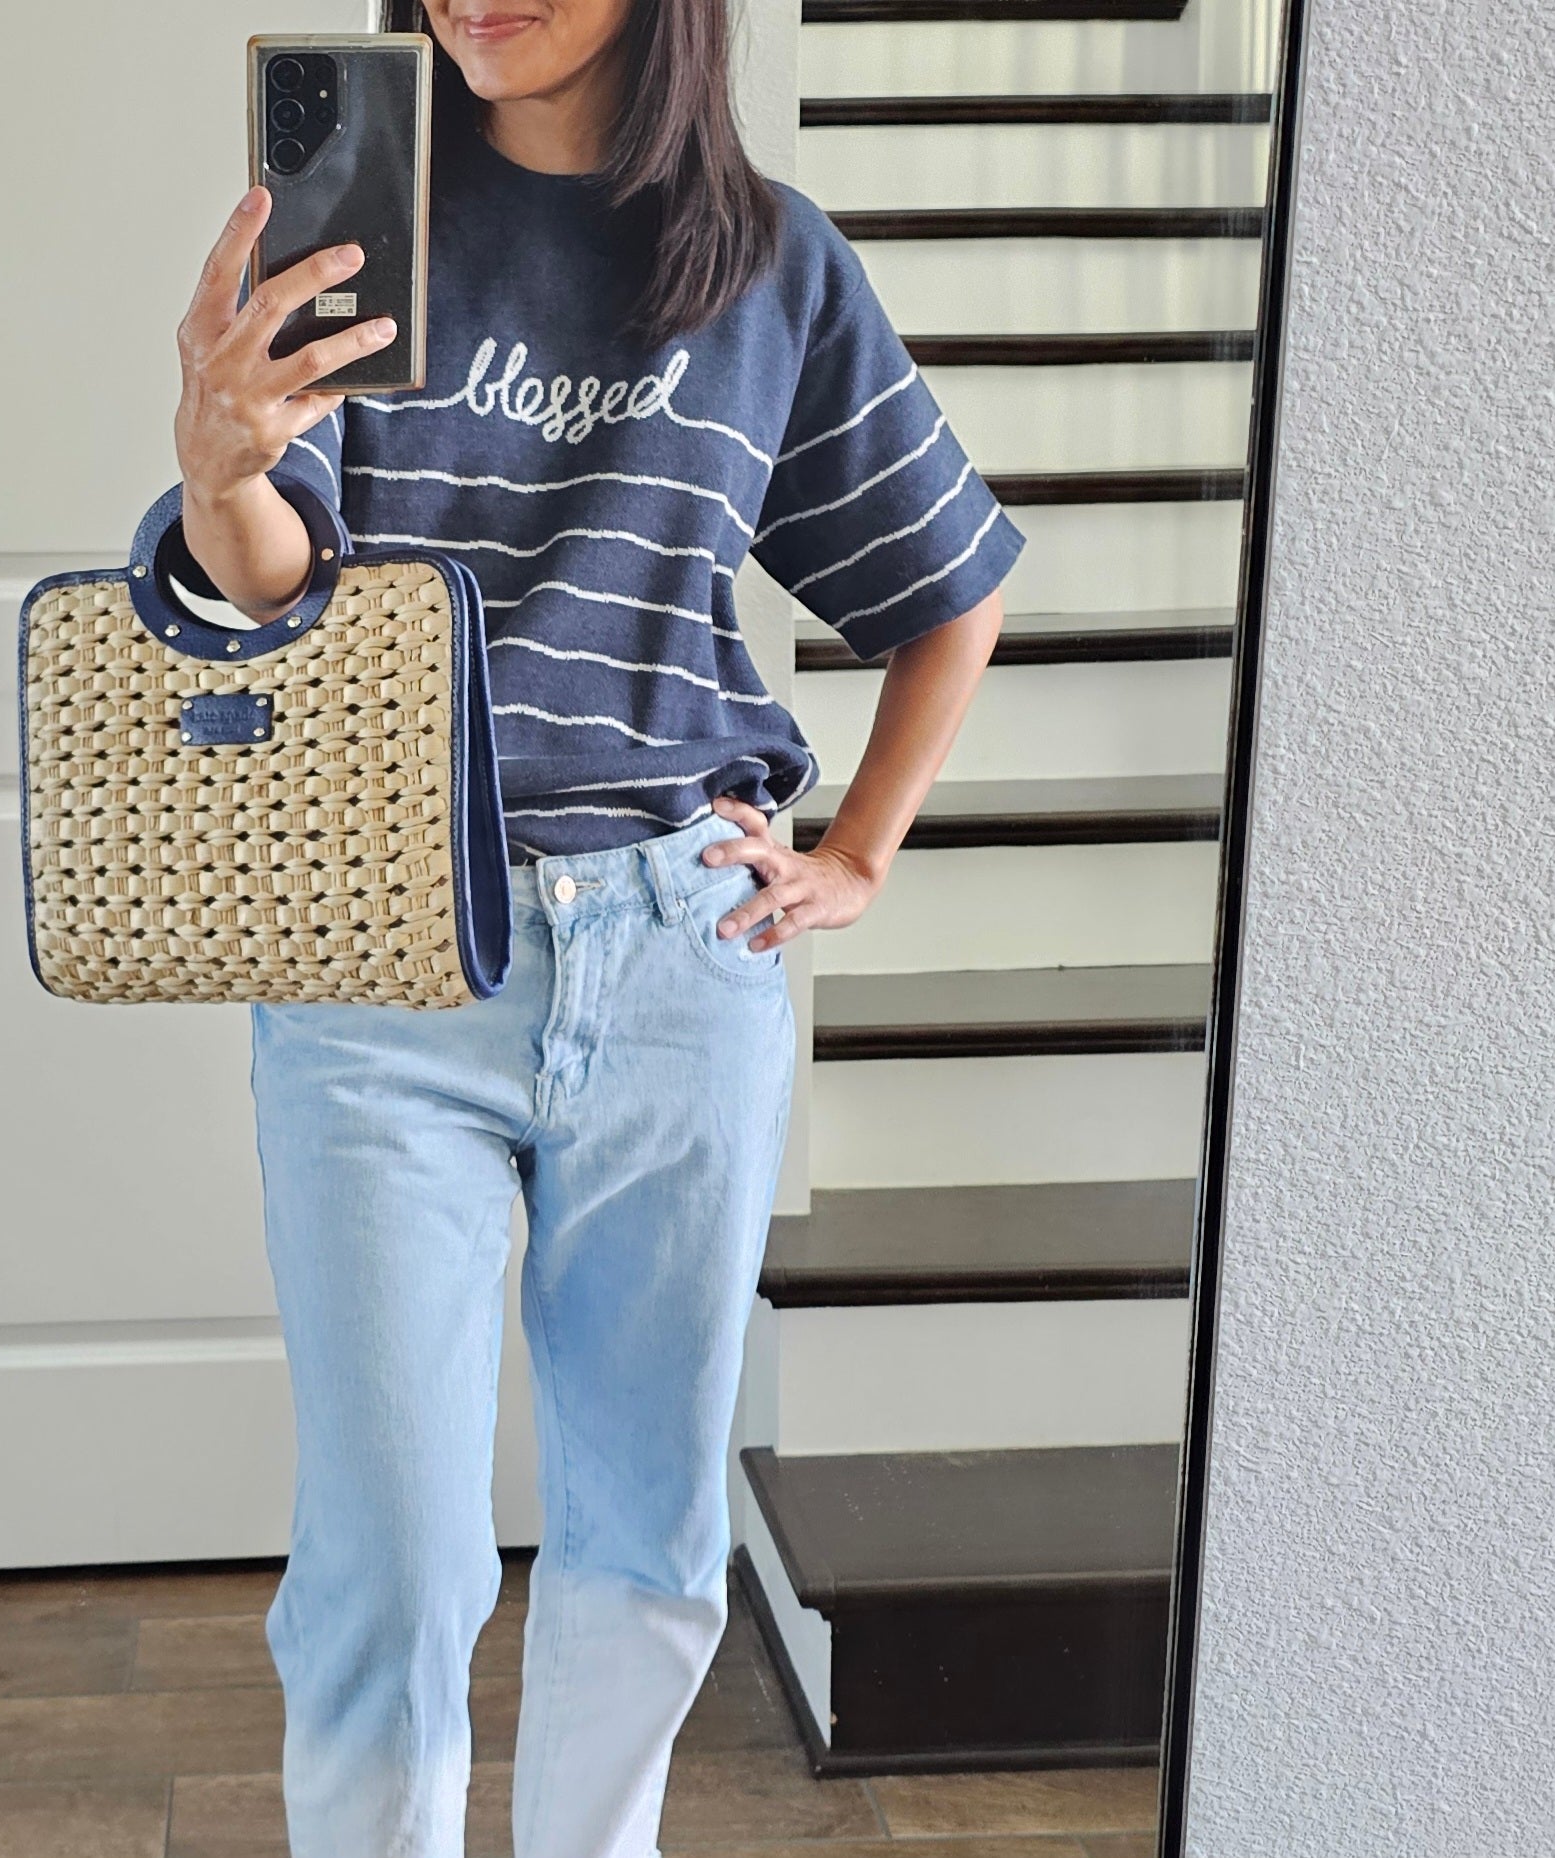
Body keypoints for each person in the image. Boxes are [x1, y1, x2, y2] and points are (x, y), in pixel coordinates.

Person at [170, 2, 1024, 1853]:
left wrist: (859, 851)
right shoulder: (354, 224)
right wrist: (224, 465)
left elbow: (949, 585)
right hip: (386, 943)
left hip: (675, 954)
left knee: (646, 1539)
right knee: (387, 1568)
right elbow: (281, 584)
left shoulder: (771, 259)